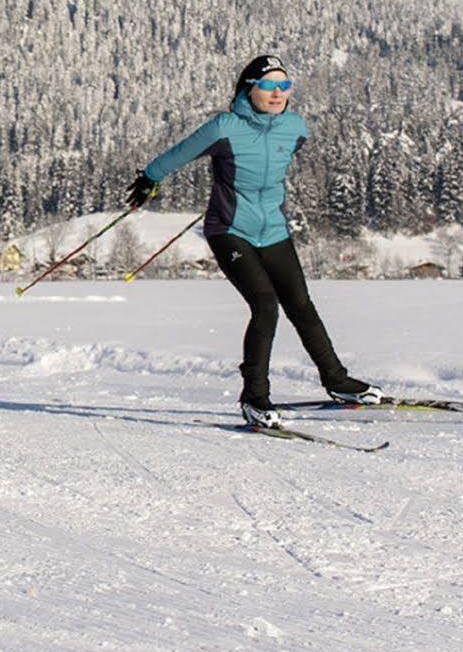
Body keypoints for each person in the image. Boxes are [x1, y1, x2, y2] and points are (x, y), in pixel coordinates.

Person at [129, 54, 380, 429]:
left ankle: (337, 381)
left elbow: (270, 169)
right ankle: (254, 398)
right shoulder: (225, 127)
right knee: (265, 306)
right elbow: (180, 153)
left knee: (301, 305)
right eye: (267, 85)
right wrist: (150, 177)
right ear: (249, 89)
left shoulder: (295, 128)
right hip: (230, 230)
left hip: (274, 230)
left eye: (284, 85)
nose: (277, 92)